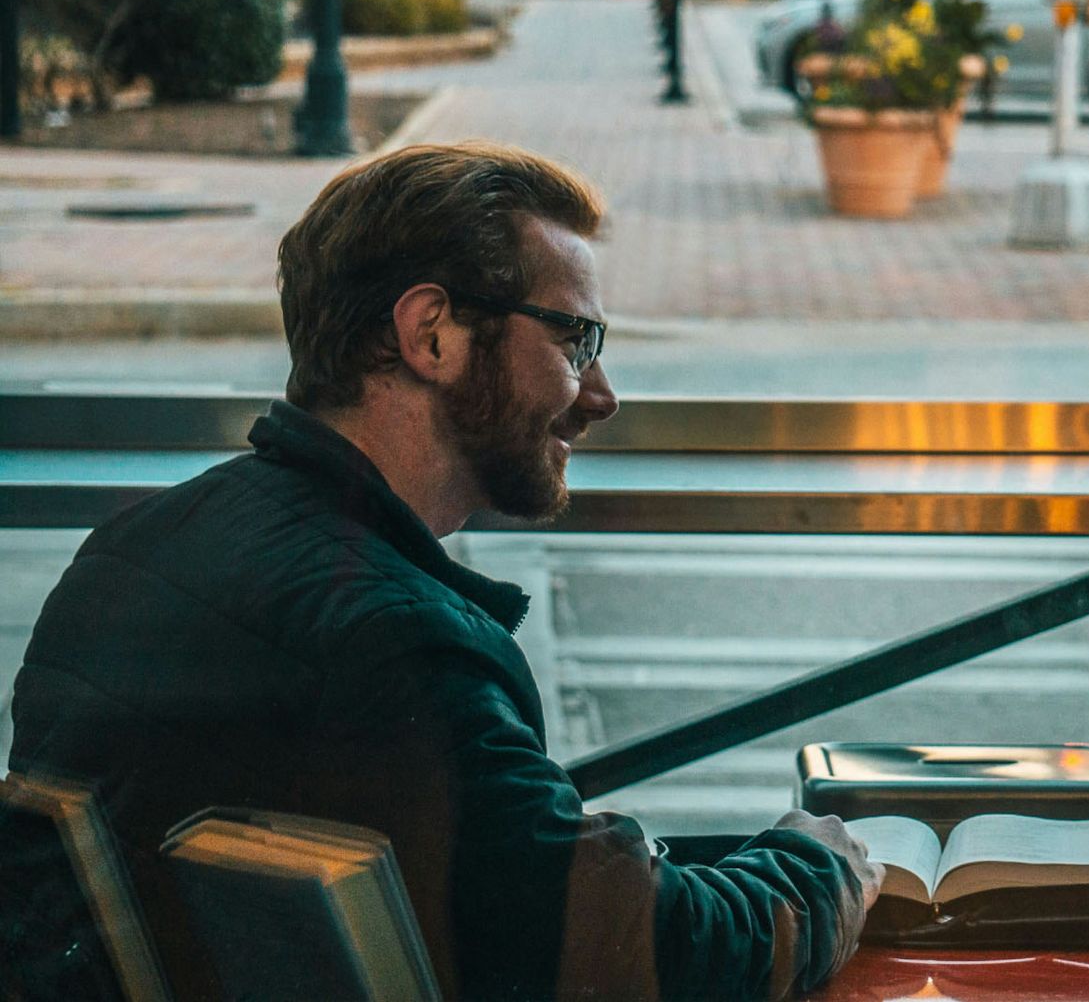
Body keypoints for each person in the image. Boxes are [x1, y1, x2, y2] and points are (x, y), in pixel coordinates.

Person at [7, 142, 883, 1000]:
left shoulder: (131, 550)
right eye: (575, 341)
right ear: (431, 333)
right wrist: (818, 864)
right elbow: (650, 951)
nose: (602, 394)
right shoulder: (394, 644)